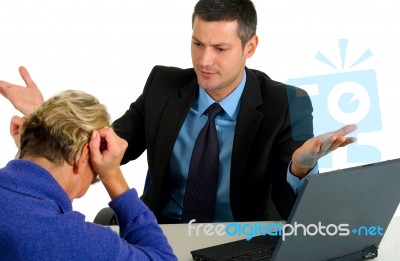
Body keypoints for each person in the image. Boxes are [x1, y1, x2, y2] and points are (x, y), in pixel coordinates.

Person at [0, 0, 356, 224]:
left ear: (250, 47)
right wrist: (44, 119)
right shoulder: (163, 87)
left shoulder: (285, 102)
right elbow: (106, 147)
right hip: (162, 230)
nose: (204, 60)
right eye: (197, 43)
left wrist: (299, 165)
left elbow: (287, 205)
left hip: (241, 238)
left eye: (220, 48)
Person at [0, 90, 177, 261]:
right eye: (96, 170)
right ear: (83, 156)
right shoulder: (74, 241)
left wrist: (37, 132)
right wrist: (112, 175)